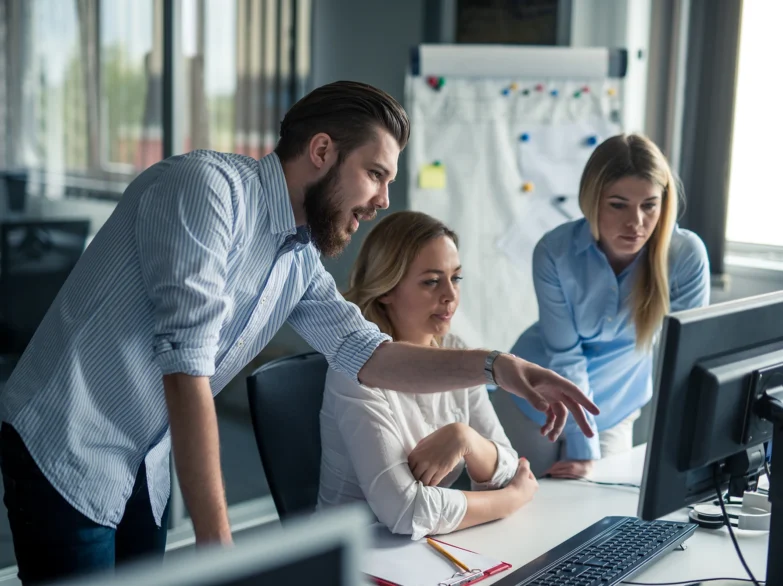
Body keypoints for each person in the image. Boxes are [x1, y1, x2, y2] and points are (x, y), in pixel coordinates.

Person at [0, 81, 597, 584]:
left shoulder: (297, 257)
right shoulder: (206, 191)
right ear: (320, 150)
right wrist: (221, 552)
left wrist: (496, 366)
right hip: (70, 441)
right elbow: (187, 371)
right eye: (374, 174)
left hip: (147, 458)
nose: (383, 200)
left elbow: (371, 355)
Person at [494, 133, 710, 479]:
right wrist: (583, 449)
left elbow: (685, 360)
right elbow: (566, 356)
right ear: (593, 201)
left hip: (615, 408)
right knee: (523, 506)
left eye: (649, 205)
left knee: (606, 513)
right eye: (618, 204)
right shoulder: (554, 251)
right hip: (535, 401)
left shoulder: (684, 256)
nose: (636, 222)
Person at [318, 211, 538, 539]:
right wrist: (512, 500)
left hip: (426, 548)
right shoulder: (354, 370)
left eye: (456, 278)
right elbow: (406, 511)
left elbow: (506, 465)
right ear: (386, 289)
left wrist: (465, 439)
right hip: (354, 556)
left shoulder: (456, 350)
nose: (450, 295)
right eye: (431, 281)